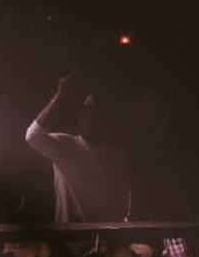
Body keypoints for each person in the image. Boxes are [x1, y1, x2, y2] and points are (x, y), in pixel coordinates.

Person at [25, 73, 130, 223]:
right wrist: (58, 97)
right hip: (67, 236)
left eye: (93, 111)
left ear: (104, 115)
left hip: (103, 235)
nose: (87, 116)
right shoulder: (65, 145)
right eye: (84, 111)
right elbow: (32, 136)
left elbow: (121, 206)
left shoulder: (117, 158)